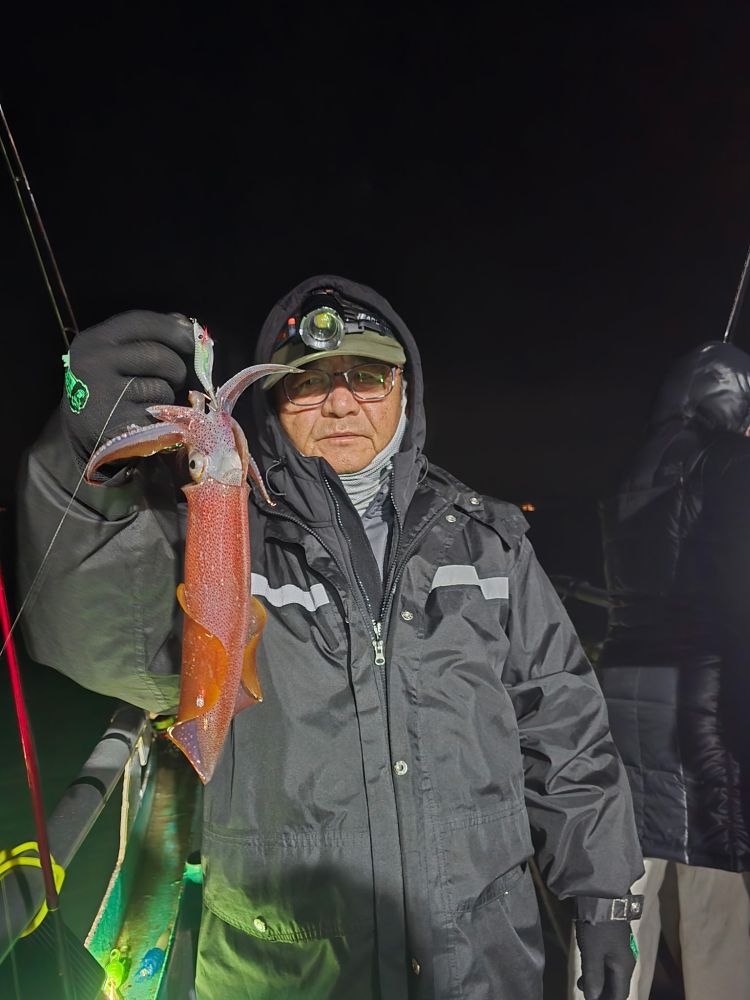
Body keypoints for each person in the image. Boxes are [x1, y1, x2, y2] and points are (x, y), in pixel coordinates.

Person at [18, 275, 643, 1000]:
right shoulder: (221, 533)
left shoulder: (488, 544)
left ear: (405, 389)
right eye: (309, 381)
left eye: (366, 376)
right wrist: (85, 471)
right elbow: (91, 636)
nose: (341, 401)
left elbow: (564, 729)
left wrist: (601, 898)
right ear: (274, 405)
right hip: (282, 969)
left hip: (484, 960)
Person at [571, 342, 750, 1000]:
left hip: (619, 702)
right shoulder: (729, 463)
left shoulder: (628, 469)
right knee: (717, 923)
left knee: (621, 898)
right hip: (701, 717)